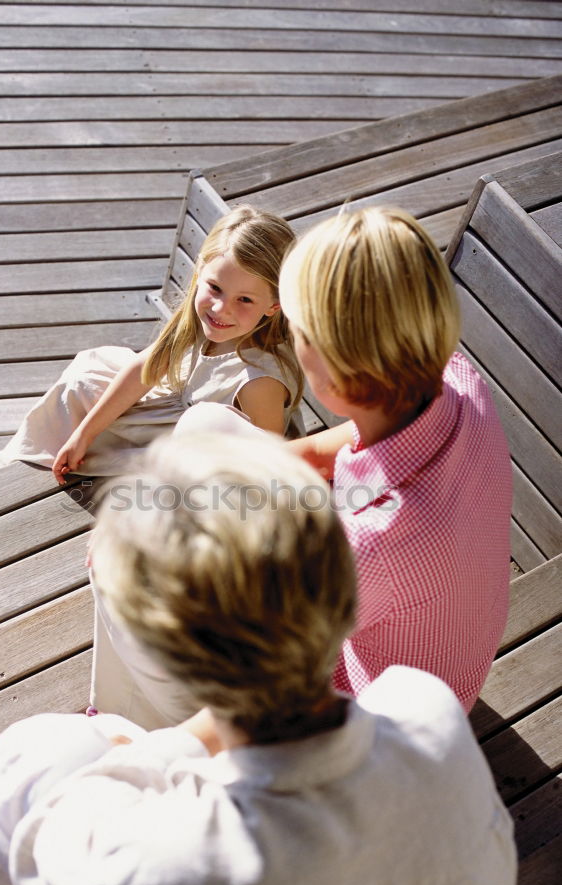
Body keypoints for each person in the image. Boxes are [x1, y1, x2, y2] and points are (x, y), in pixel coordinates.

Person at [0, 432, 516, 885]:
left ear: (164, 651)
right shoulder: (426, 710)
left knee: (45, 756)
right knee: (100, 745)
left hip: (138, 864)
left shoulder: (129, 857)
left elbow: (78, 807)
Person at [166, 206, 512, 713]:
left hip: (376, 717)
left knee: (136, 604)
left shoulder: (372, 546)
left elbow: (259, 642)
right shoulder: (451, 377)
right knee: (204, 430)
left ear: (335, 377)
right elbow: (325, 449)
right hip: (433, 651)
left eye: (297, 330)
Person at [0, 205, 303, 488]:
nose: (221, 308)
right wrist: (85, 434)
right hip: (177, 401)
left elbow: (265, 462)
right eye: (215, 288)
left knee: (111, 428)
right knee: (86, 375)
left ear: (274, 305)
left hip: (193, 444)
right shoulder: (202, 319)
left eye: (244, 300)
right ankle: (4, 469)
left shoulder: (260, 380)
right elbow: (145, 369)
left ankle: (29, 472)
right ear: (201, 273)